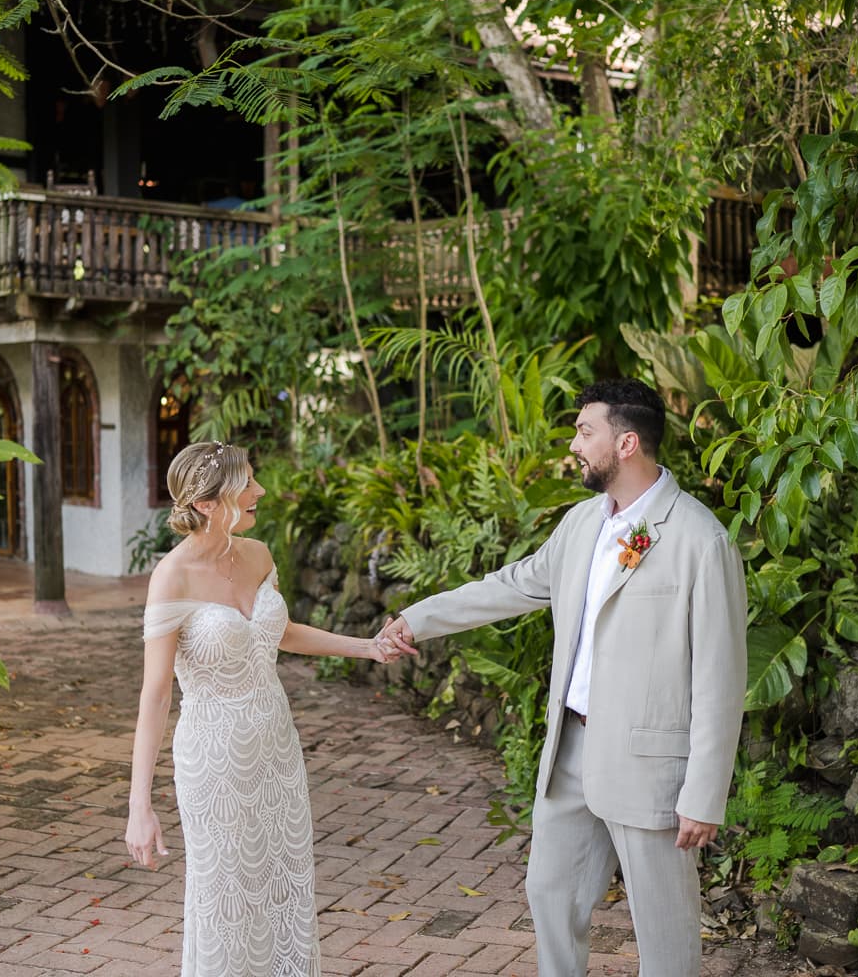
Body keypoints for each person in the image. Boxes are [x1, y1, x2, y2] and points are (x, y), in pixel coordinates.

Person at [379, 378, 748, 977]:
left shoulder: (700, 541)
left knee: (665, 930)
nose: (574, 444)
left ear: (626, 443)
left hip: (648, 764)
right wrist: (417, 620)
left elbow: (720, 676)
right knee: (550, 896)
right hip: (571, 748)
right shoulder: (581, 523)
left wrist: (703, 793)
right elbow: (512, 584)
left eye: (585, 431)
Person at [124, 441, 415, 976]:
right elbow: (156, 694)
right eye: (247, 482)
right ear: (209, 503)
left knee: (283, 887)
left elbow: (281, 633)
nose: (260, 491)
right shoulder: (172, 576)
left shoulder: (256, 553)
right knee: (225, 894)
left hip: (276, 749)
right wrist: (139, 804)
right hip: (213, 761)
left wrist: (367, 647)